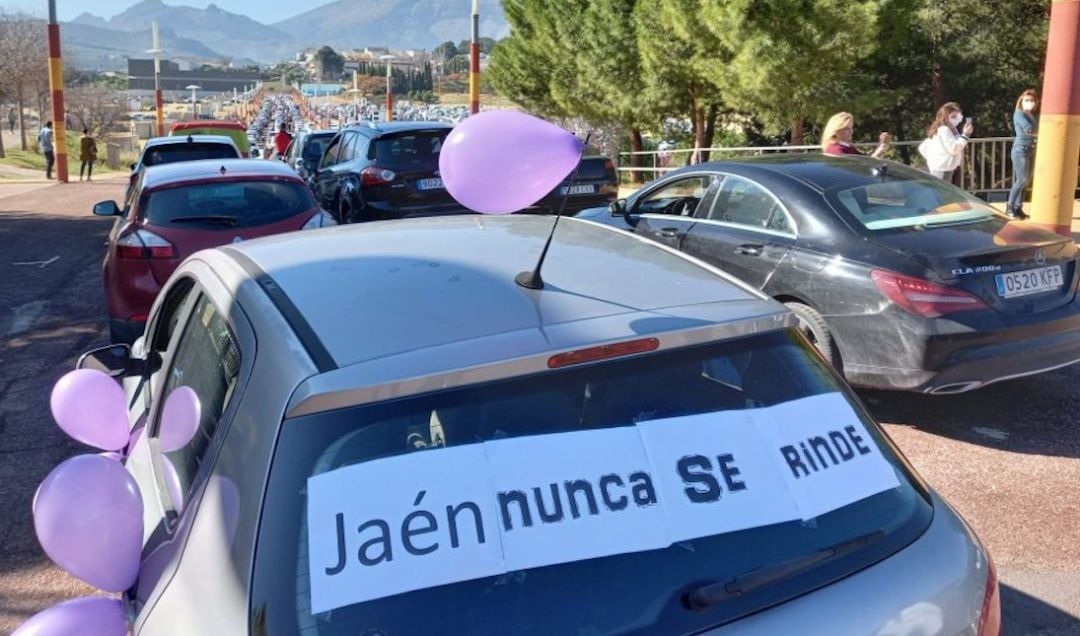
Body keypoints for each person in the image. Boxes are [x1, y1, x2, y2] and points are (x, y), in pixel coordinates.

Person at [919, 102, 973, 183]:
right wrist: (965, 135)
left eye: (957, 116)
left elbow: (922, 147)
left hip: (943, 168)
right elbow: (954, 149)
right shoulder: (944, 130)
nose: (956, 119)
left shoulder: (945, 129)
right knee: (941, 194)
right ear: (945, 117)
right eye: (953, 117)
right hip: (943, 169)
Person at [1006, 90, 1038, 220]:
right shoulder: (1019, 113)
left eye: (1032, 100)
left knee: (1026, 180)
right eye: (1026, 100)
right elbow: (1028, 130)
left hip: (1030, 149)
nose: (1029, 103)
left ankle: (1018, 207)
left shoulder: (1029, 114)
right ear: (1021, 101)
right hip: (1020, 149)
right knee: (1021, 179)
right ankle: (1010, 206)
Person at [821, 112, 890, 159]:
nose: (851, 131)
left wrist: (882, 148)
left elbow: (867, 161)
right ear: (836, 131)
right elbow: (863, 168)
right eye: (847, 129)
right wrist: (881, 149)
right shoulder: (835, 151)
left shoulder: (848, 148)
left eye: (851, 128)